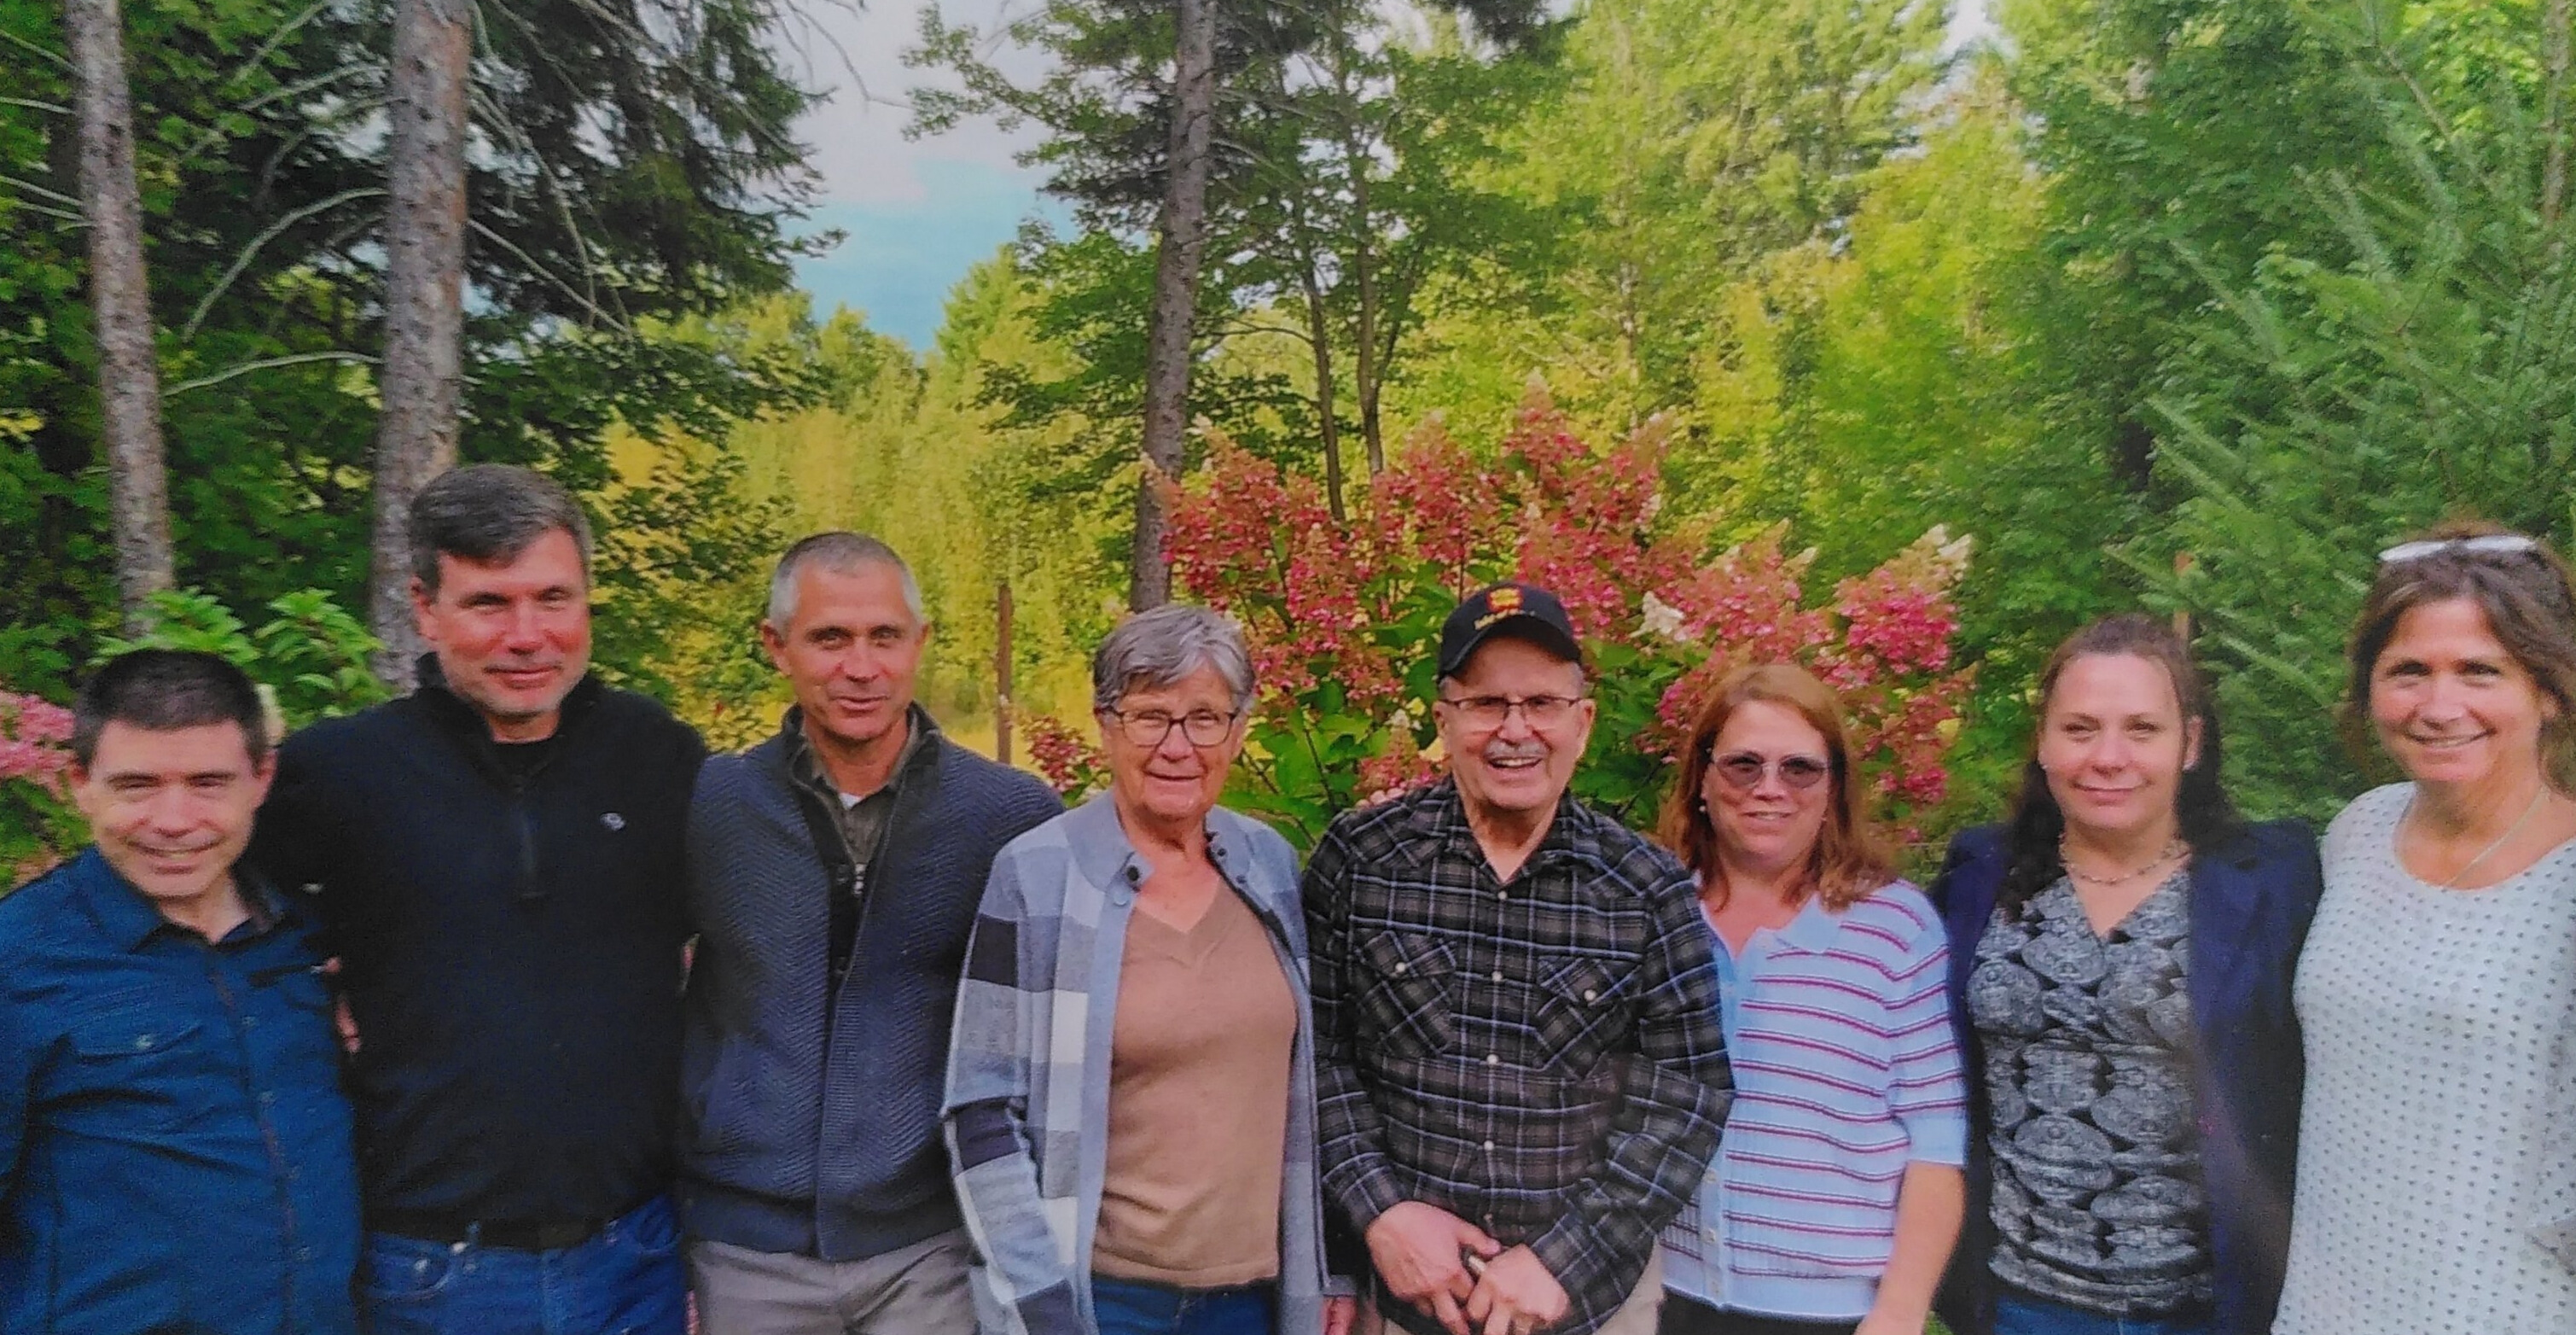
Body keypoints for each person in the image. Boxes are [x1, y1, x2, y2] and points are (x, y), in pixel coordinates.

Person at [252, 463, 707, 1335]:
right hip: (433, 1269)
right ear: (426, 609)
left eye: (553, 598)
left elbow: (723, 938)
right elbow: (230, 939)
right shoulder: (339, 773)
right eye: (489, 603)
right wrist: (317, 987)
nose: (528, 635)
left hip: (636, 1257)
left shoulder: (658, 755)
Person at [1306, 581, 1734, 1335]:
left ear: (1583, 721)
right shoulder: (1362, 859)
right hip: (1404, 1302)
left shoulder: (1643, 887)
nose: (1514, 731)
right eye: (1485, 705)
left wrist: (1565, 1260)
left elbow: (1685, 1096)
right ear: (1444, 719)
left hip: (1584, 1307)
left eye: (1540, 704)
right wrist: (1381, 1209)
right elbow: (1315, 1055)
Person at [680, 532, 1061, 1332]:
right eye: (830, 638)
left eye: (884, 637)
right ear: (775, 646)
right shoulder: (710, 805)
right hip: (745, 1255)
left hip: (930, 1252)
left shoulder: (1009, 817)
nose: (861, 667)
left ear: (918, 643)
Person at [946, 603, 1350, 1335]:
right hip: (1106, 1302)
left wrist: (1329, 1271)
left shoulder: (1268, 866)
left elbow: (1315, 1085)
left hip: (1254, 1302)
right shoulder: (1037, 875)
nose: (1178, 746)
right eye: (1150, 716)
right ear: (1105, 724)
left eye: (1205, 718)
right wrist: (1039, 1304)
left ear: (1237, 729)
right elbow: (980, 1111)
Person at [1929, 615, 2321, 1335]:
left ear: (2191, 744)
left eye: (2141, 729)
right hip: (2013, 1303)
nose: (2108, 757)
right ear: (2042, 742)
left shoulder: (2275, 881)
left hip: (2199, 1311)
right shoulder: (1978, 874)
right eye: (2079, 729)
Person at [2271, 522, 2576, 1334]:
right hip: (2328, 1304)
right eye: (2408, 671)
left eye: (2479, 671)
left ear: (2547, 689)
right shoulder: (2359, 833)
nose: (2439, 707)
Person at [0, 650, 361, 1335]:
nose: (173, 820)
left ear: (262, 778)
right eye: (136, 785)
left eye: (207, 782)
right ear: (79, 782)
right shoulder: (17, 962)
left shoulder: (307, 936)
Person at [1652, 664, 1966, 1335]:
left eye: (1799, 769)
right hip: (1658, 1298)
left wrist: (1900, 1311)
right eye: (1743, 765)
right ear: (1702, 780)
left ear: (1833, 789)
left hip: (1833, 1313)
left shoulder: (1894, 929)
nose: (1770, 789)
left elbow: (1935, 1141)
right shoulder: (1654, 913)